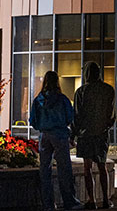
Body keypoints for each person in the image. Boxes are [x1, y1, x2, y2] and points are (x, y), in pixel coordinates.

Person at [30, 70, 82, 210]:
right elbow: (70, 117)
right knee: (64, 169)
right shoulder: (62, 99)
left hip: (44, 136)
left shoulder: (38, 100)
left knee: (44, 170)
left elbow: (33, 121)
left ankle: (48, 204)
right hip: (59, 135)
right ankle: (69, 202)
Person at [73, 61, 117, 209]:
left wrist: (73, 135)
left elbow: (77, 116)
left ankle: (91, 200)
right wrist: (106, 126)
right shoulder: (108, 90)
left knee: (87, 168)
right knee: (102, 166)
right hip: (101, 134)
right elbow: (112, 115)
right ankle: (105, 199)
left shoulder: (81, 92)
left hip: (85, 135)